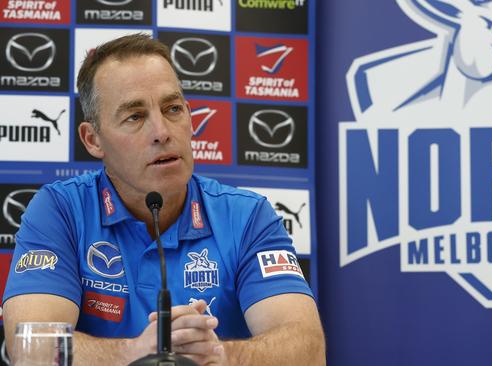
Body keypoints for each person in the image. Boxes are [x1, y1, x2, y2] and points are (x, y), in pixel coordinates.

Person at [2, 34, 325, 365]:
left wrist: (217, 354)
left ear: (189, 117)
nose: (162, 131)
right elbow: (31, 348)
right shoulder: (60, 211)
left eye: (172, 109)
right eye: (135, 116)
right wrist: (137, 353)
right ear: (93, 139)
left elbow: (308, 350)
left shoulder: (246, 215)